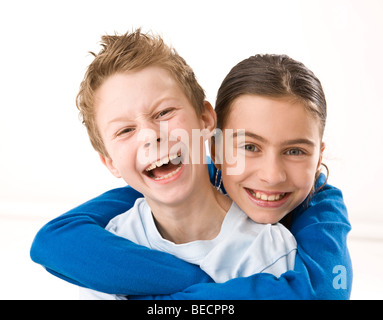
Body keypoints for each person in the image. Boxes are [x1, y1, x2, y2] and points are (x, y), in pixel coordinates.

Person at [30, 35, 352, 299]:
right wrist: (197, 280)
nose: (271, 175)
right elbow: (54, 240)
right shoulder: (119, 230)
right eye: (249, 147)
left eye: (295, 151)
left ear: (204, 121)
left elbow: (326, 292)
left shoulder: (291, 235)